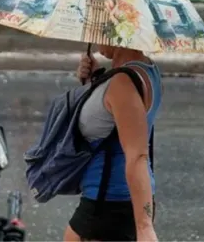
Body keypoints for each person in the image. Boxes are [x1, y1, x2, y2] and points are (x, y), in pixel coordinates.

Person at [64, 45, 162, 241]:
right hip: (120, 202)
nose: (98, 39)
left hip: (109, 206)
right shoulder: (147, 70)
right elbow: (111, 119)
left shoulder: (123, 83)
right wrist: (94, 80)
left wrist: (144, 228)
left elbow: (137, 155)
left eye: (103, 28)